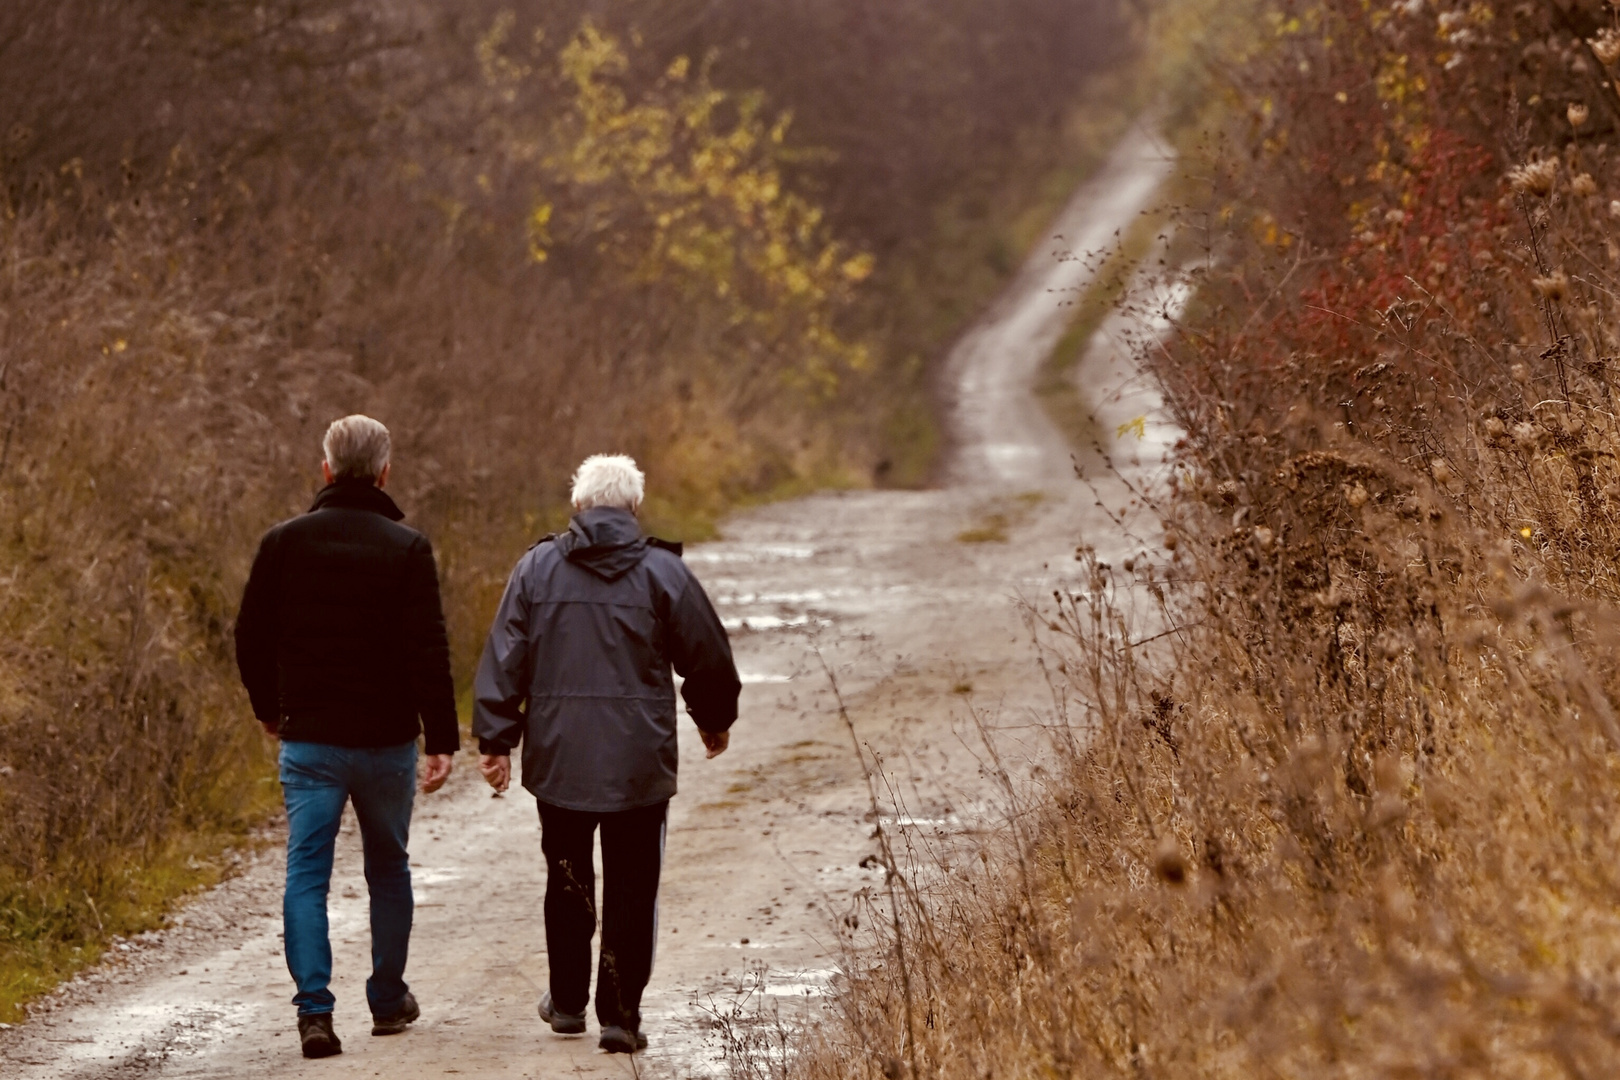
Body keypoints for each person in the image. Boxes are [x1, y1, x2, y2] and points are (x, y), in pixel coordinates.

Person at [473, 453, 740, 1055]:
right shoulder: (662, 574)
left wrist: (496, 740)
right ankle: (619, 1017)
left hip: (560, 757)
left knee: (566, 879)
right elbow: (707, 653)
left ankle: (567, 1003)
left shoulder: (537, 568)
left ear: (578, 506)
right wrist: (713, 719)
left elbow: (505, 655)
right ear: (635, 508)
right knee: (631, 885)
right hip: (637, 762)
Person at [234, 414, 459, 1059]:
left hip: (311, 740)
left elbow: (250, 636)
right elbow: (429, 650)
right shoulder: (407, 547)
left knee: (307, 873)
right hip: (387, 742)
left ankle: (315, 1015)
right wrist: (441, 737)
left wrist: (269, 709)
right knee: (389, 867)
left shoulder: (283, 542)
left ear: (326, 469)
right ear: (385, 472)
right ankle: (387, 1000)